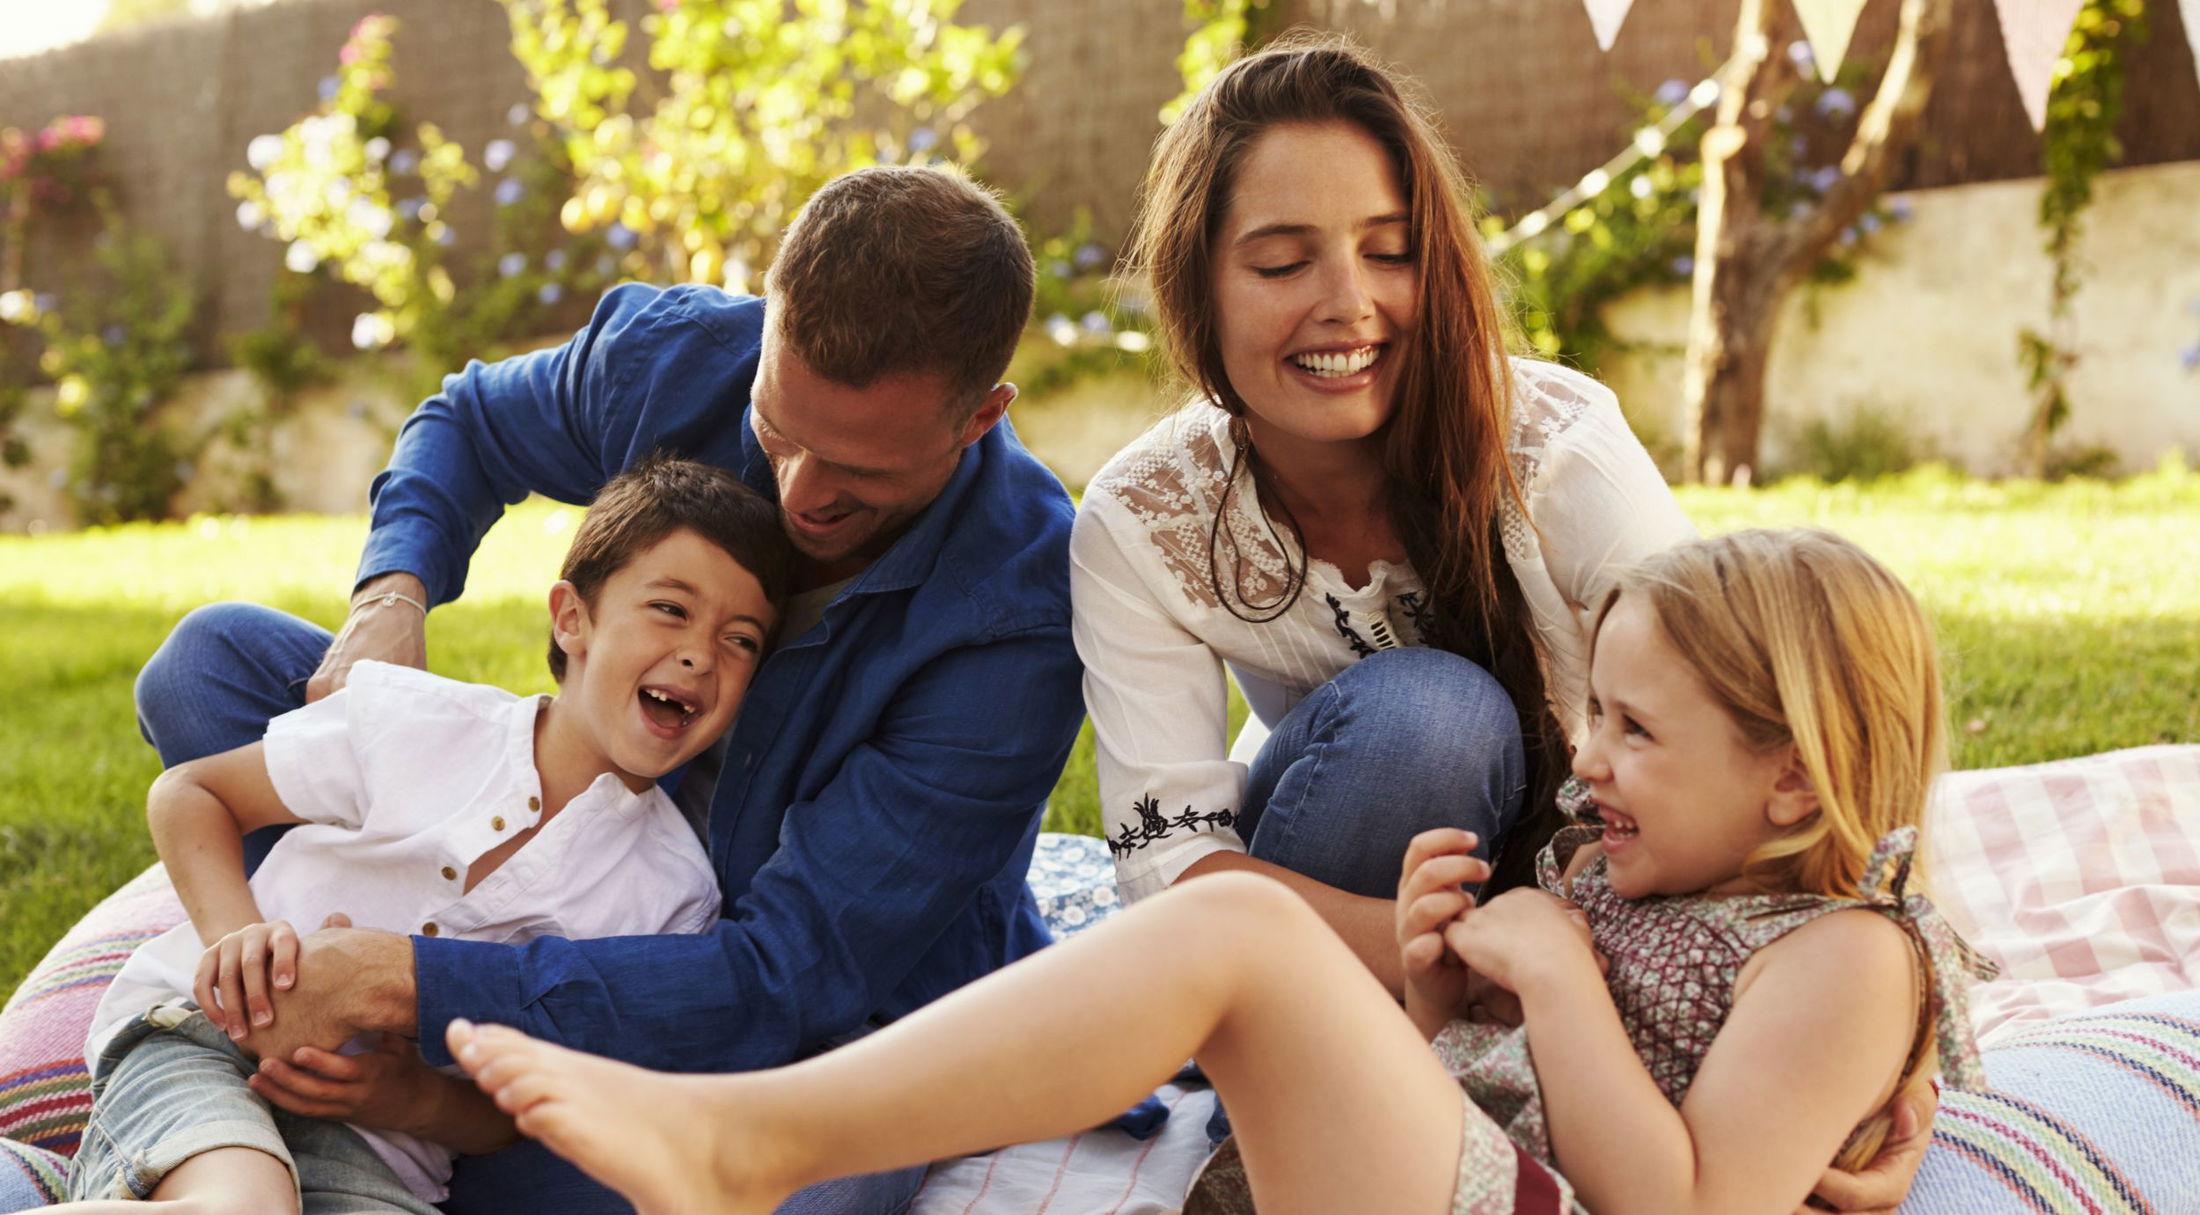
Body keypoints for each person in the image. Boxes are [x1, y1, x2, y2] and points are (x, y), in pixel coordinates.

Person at [441, 527, 1993, 1215]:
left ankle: (747, 1143)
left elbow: (1685, 1203)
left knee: (1239, 921)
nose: (1585, 756)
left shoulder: (1847, 951)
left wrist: (1563, 975)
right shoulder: (1647, 877)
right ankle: (756, 1140)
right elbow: (1518, 1074)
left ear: (1794, 772)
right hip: (1456, 1175)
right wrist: (1449, 989)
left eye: (1636, 728)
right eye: (1594, 709)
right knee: (1244, 936)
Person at [128, 164, 1078, 1213]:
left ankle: (422, 1113)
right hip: (572, 841)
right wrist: (389, 599)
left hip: (789, 993)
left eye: (859, 475)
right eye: (778, 430)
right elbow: (467, 424)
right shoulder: (681, 356)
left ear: (979, 417)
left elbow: (790, 974)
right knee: (213, 664)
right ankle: (310, 1030)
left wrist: (407, 980)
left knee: (803, 1186)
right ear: (767, 327)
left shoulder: (1020, 614)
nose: (799, 494)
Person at [1073, 34, 1693, 1003]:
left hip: (1593, 878)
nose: (1348, 304)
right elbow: (1170, 874)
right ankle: (1310, 1083)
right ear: (1196, 288)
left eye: (1389, 252)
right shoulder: (1144, 518)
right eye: (1282, 264)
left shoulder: (1556, 449)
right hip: (1336, 919)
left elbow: (1729, 718)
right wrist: (1486, 953)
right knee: (1432, 716)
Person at [61, 458, 789, 1213]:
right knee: (244, 1204)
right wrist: (236, 939)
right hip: (206, 1044)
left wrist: (414, 1099)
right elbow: (193, 791)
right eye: (671, 609)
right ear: (571, 617)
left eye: (741, 641)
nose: (702, 653)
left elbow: (524, 1111)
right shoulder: (418, 722)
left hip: (376, 1148)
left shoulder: (675, 897)